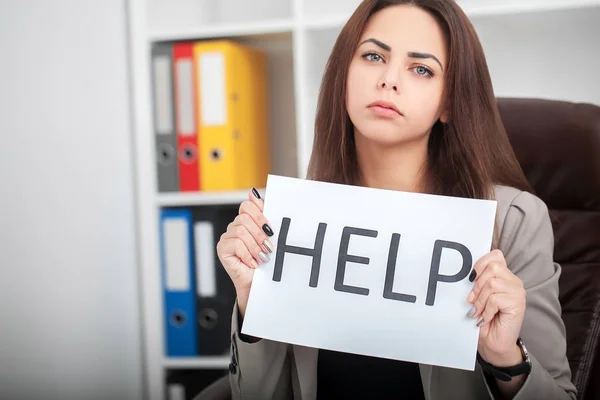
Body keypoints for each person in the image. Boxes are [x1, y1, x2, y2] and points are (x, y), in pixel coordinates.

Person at [215, 0, 577, 398]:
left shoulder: (513, 219)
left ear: (449, 102)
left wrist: (505, 355)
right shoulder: (293, 220)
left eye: (421, 69)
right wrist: (255, 306)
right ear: (343, 75)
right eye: (373, 56)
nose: (389, 79)